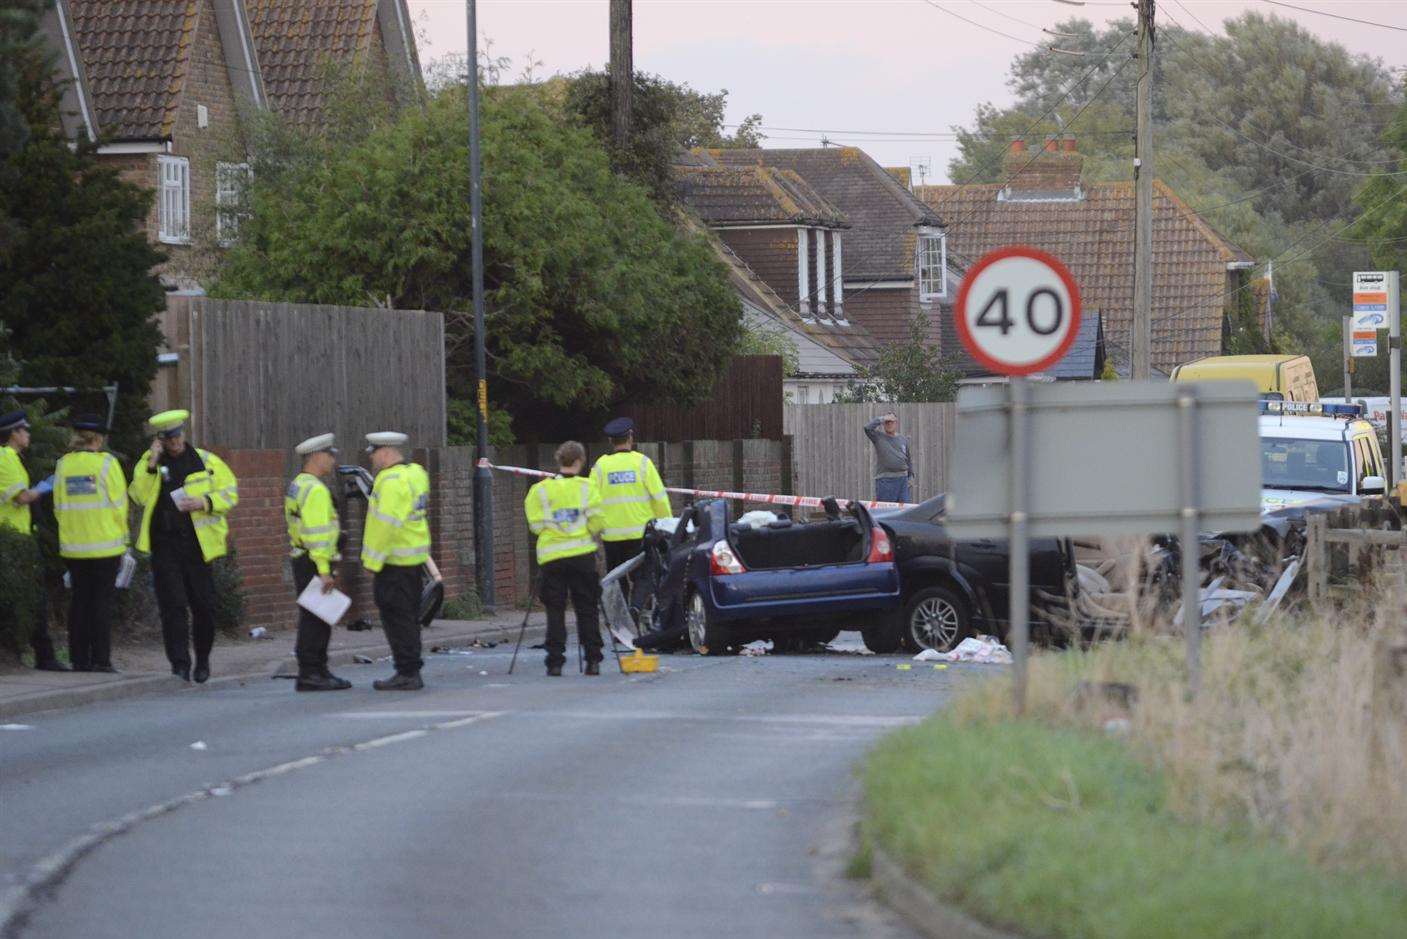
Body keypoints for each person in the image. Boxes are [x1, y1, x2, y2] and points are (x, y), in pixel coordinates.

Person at [128, 410, 239, 683]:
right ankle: (179, 664)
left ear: (183, 434)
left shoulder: (205, 461)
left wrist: (205, 502)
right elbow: (137, 496)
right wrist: (152, 462)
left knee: (204, 606)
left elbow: (230, 493)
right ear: (160, 440)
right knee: (173, 606)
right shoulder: (149, 463)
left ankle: (202, 661)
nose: (174, 443)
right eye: (168, 439)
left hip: (198, 547)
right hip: (164, 544)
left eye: (177, 436)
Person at [53, 415, 129, 673]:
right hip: (105, 546)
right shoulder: (107, 464)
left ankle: (79, 659)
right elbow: (120, 506)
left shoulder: (63, 465)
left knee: (79, 603)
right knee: (100, 604)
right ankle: (101, 660)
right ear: (98, 440)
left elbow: (58, 507)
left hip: (73, 547)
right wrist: (124, 540)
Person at [526, 441, 605, 676]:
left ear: (559, 461)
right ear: (579, 461)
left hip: (552, 557)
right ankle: (592, 660)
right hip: (581, 555)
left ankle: (555, 662)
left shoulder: (540, 490)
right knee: (587, 608)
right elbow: (598, 521)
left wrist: (555, 530)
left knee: (555, 609)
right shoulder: (587, 487)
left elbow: (535, 525)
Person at [360, 431, 431, 691]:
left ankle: (407, 672)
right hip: (413, 558)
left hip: (393, 562)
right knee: (409, 617)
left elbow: (384, 525)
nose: (372, 459)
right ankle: (411, 668)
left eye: (374, 453)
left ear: (386, 452)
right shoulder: (416, 474)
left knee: (396, 618)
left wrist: (371, 561)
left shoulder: (389, 481)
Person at [0, 411, 66, 671]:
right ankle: (44, 656)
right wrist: (45, 487)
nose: (28, 435)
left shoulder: (12, 458)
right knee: (34, 599)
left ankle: (43, 654)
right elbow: (20, 498)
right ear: (13, 433)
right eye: (24, 431)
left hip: (20, 538)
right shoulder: (5, 458)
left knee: (34, 599)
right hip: (13, 539)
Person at [286, 433, 351, 692]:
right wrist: (325, 570)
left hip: (304, 558)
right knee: (316, 620)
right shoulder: (314, 490)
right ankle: (312, 673)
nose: (333, 460)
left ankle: (316, 669)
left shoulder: (298, 484)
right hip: (315, 561)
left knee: (315, 617)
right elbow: (316, 534)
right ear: (316, 457)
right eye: (329, 455)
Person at [590, 417, 671, 593]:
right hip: (639, 533)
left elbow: (590, 501)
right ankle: (638, 612)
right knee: (642, 577)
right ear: (630, 437)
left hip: (611, 536)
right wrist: (665, 526)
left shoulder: (600, 466)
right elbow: (659, 498)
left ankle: (620, 618)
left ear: (610, 441)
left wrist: (594, 529)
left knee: (617, 580)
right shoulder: (643, 463)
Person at [864, 411, 914, 503]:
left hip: (903, 481)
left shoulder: (903, 439)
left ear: (896, 423)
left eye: (892, 422)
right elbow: (867, 428)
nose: (889, 424)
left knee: (904, 511)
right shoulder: (878, 437)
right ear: (883, 424)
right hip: (886, 481)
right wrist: (883, 418)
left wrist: (911, 476)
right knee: (886, 511)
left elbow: (908, 458)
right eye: (887, 422)